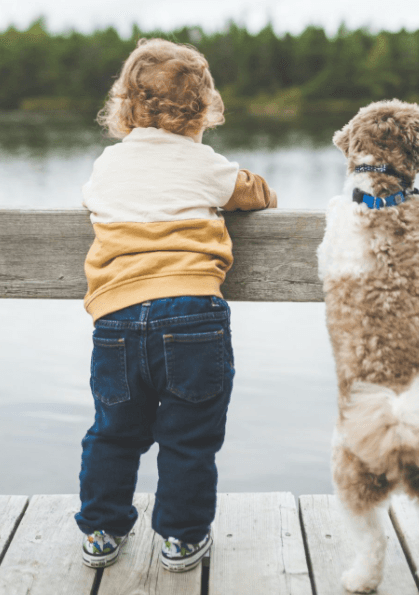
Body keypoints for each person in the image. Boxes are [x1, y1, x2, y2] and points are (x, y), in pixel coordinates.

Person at [75, 38, 277, 572]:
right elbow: (255, 193)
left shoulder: (108, 165)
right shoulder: (205, 163)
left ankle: (101, 530)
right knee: (190, 438)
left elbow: (90, 199)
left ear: (124, 108)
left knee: (113, 431)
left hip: (116, 318)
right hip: (192, 315)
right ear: (204, 110)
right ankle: (182, 540)